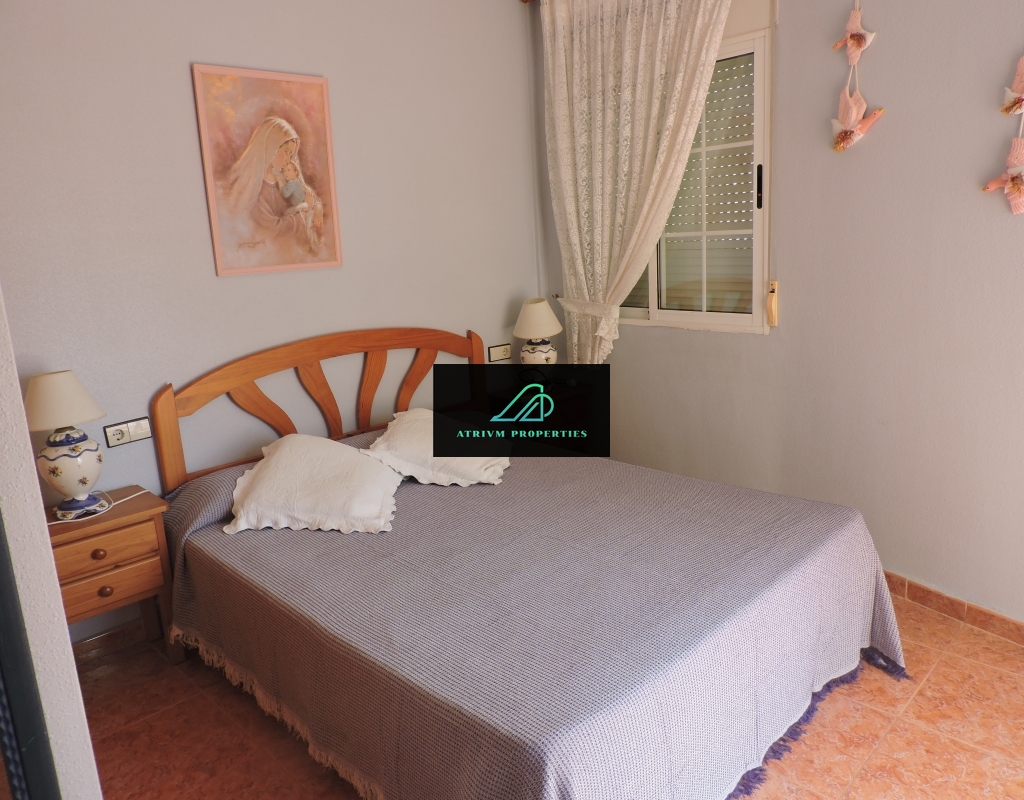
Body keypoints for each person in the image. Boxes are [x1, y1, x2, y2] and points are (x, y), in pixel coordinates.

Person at [224, 116, 324, 254]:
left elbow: (306, 194)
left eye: (291, 155)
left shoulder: (283, 177)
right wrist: (302, 217)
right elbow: (271, 230)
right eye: (287, 153)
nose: (289, 160)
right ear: (271, 147)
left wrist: (317, 208)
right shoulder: (254, 189)